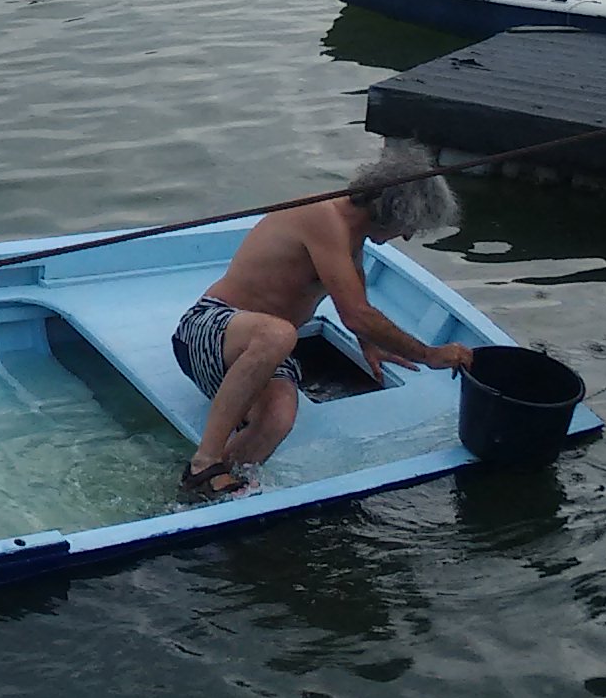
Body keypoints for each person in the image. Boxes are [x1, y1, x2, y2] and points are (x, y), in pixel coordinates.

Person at [169, 151, 474, 503]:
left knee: (280, 416)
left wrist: (371, 343)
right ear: (394, 210)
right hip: (208, 329)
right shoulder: (322, 216)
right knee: (280, 334)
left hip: (256, 351)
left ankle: (208, 490)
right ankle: (203, 463)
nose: (405, 237)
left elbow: (359, 304)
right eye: (410, 226)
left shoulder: (352, 237)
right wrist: (429, 354)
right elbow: (355, 314)